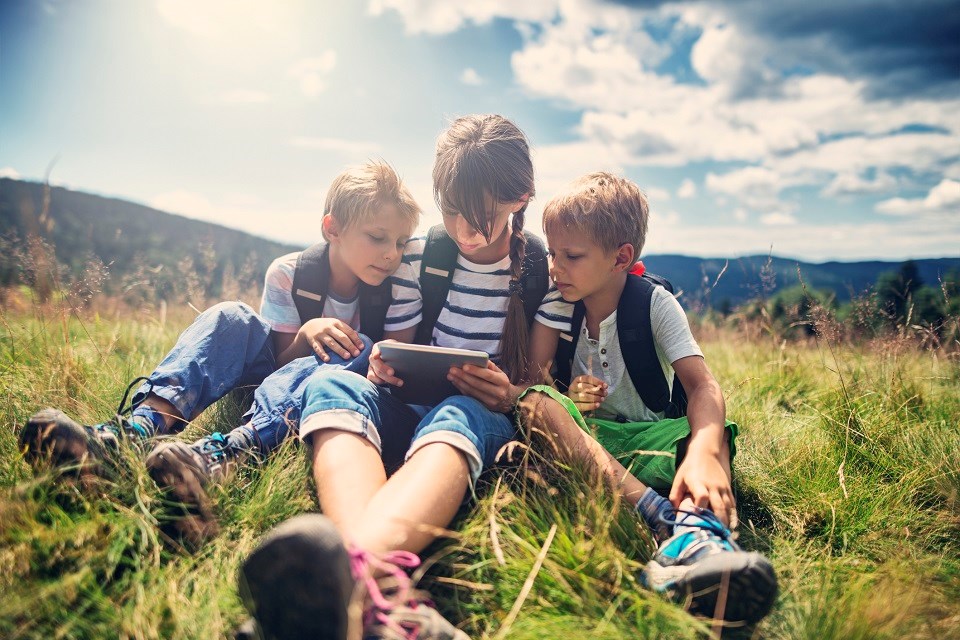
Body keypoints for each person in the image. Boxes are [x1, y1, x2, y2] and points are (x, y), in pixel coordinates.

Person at [238, 114, 573, 639]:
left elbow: (540, 382)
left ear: (521, 197)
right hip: (405, 406)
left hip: (478, 415)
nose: (466, 230)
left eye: (484, 217)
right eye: (453, 211)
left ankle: (352, 581)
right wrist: (382, 364)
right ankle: (385, 600)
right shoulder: (422, 255)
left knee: (458, 410)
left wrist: (510, 395)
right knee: (334, 384)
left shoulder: (539, 271)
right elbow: (399, 340)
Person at [19, 161, 421, 547]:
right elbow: (281, 361)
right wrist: (309, 331)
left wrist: (371, 360)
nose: (392, 254)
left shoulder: (400, 286)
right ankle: (134, 432)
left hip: (337, 393)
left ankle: (227, 453)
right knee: (232, 315)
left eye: (401, 242)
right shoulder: (290, 272)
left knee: (361, 347)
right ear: (332, 228)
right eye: (378, 237)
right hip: (275, 376)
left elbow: (391, 362)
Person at [518, 172, 777, 624]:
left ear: (621, 257)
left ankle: (699, 546)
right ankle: (667, 520)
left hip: (649, 440)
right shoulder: (555, 306)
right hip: (586, 440)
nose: (555, 267)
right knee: (538, 403)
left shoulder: (654, 305)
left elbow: (703, 387)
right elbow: (533, 383)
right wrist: (566, 395)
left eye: (572, 256)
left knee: (713, 437)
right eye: (553, 253)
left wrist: (701, 452)